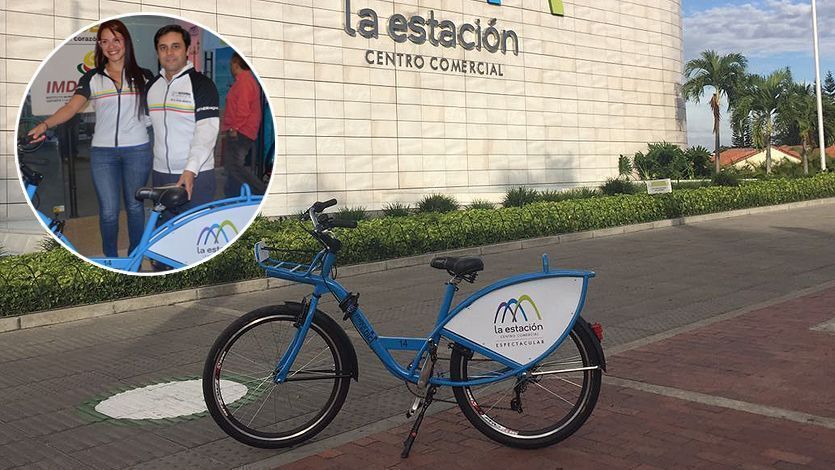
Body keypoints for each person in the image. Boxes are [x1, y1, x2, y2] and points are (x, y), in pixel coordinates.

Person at [28, 19, 153, 258]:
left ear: (125, 41)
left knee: (136, 207)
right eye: (104, 41)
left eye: (116, 39)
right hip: (103, 154)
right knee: (108, 211)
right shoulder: (93, 78)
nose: (111, 46)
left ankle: (136, 256)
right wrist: (44, 124)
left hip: (137, 150)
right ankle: (110, 260)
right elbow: (70, 108)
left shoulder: (144, 76)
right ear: (99, 46)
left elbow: (159, 108)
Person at [146, 24, 219, 212]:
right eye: (163, 47)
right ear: (157, 52)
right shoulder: (153, 86)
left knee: (196, 233)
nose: (169, 52)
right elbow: (145, 123)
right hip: (161, 173)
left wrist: (190, 169)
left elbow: (207, 132)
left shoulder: (202, 84)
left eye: (175, 46)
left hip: (196, 174)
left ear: (187, 50)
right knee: (165, 230)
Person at [222, 52, 267, 195]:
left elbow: (243, 109)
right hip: (241, 130)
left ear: (236, 63)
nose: (230, 67)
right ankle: (232, 195)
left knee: (234, 167)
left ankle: (260, 191)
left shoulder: (244, 82)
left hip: (241, 131)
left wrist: (234, 128)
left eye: (231, 64)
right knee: (231, 168)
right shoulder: (244, 81)